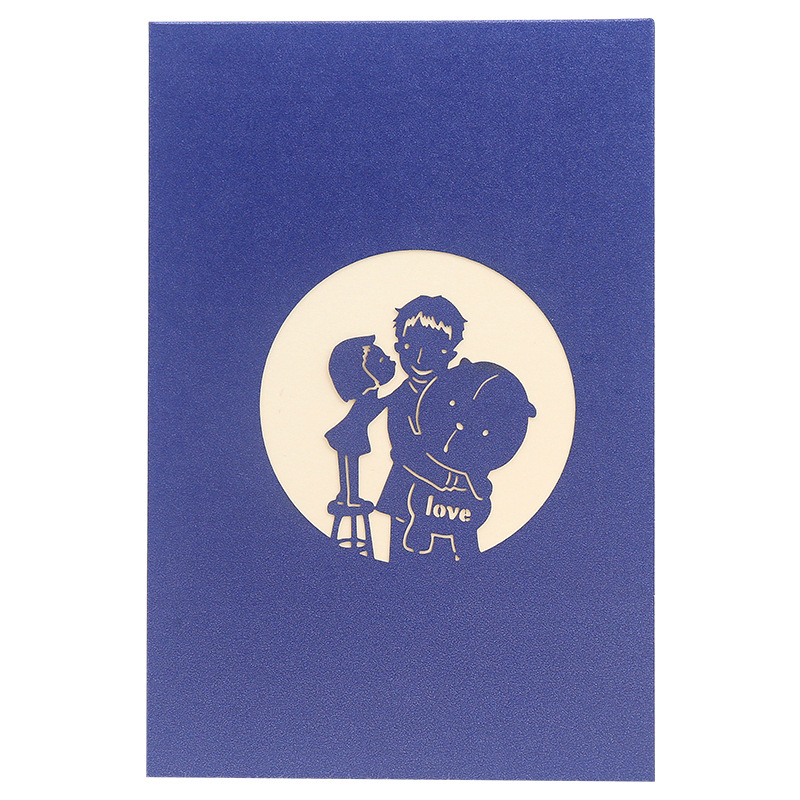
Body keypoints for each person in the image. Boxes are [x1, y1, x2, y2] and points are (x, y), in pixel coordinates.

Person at [375, 296, 467, 553]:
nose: (421, 358)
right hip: (407, 495)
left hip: (453, 502)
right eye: (411, 346)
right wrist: (448, 478)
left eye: (437, 349)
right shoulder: (401, 399)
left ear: (451, 354)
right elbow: (404, 451)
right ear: (398, 347)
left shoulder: (458, 394)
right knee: (406, 559)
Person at [325, 336, 395, 509]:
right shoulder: (369, 393)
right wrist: (396, 396)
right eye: (382, 360)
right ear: (366, 370)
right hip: (350, 432)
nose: (391, 361)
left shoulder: (369, 392)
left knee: (347, 462)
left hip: (352, 431)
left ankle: (345, 495)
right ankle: (350, 498)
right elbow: (376, 406)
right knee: (350, 464)